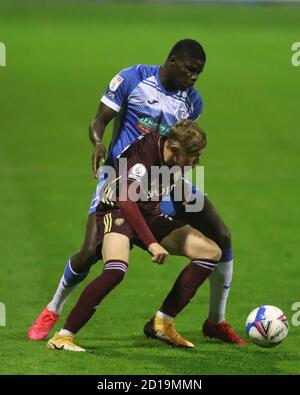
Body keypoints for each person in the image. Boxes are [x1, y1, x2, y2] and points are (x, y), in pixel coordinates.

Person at [28, 39, 244, 345]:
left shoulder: (192, 102)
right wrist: (98, 142)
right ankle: (53, 308)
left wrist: (176, 185)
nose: (194, 78)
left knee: (220, 235)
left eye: (199, 73)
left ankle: (216, 321)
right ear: (172, 61)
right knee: (90, 253)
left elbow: (181, 146)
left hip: (166, 181)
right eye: (190, 70)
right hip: (122, 177)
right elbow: (99, 119)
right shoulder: (132, 78)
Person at [47, 121, 222, 352]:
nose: (197, 161)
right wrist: (151, 243)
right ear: (175, 150)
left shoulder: (175, 157)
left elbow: (168, 181)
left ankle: (162, 323)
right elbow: (125, 199)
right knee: (116, 270)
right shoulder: (145, 154)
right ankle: (62, 337)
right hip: (117, 210)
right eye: (194, 155)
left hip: (148, 213)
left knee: (210, 252)